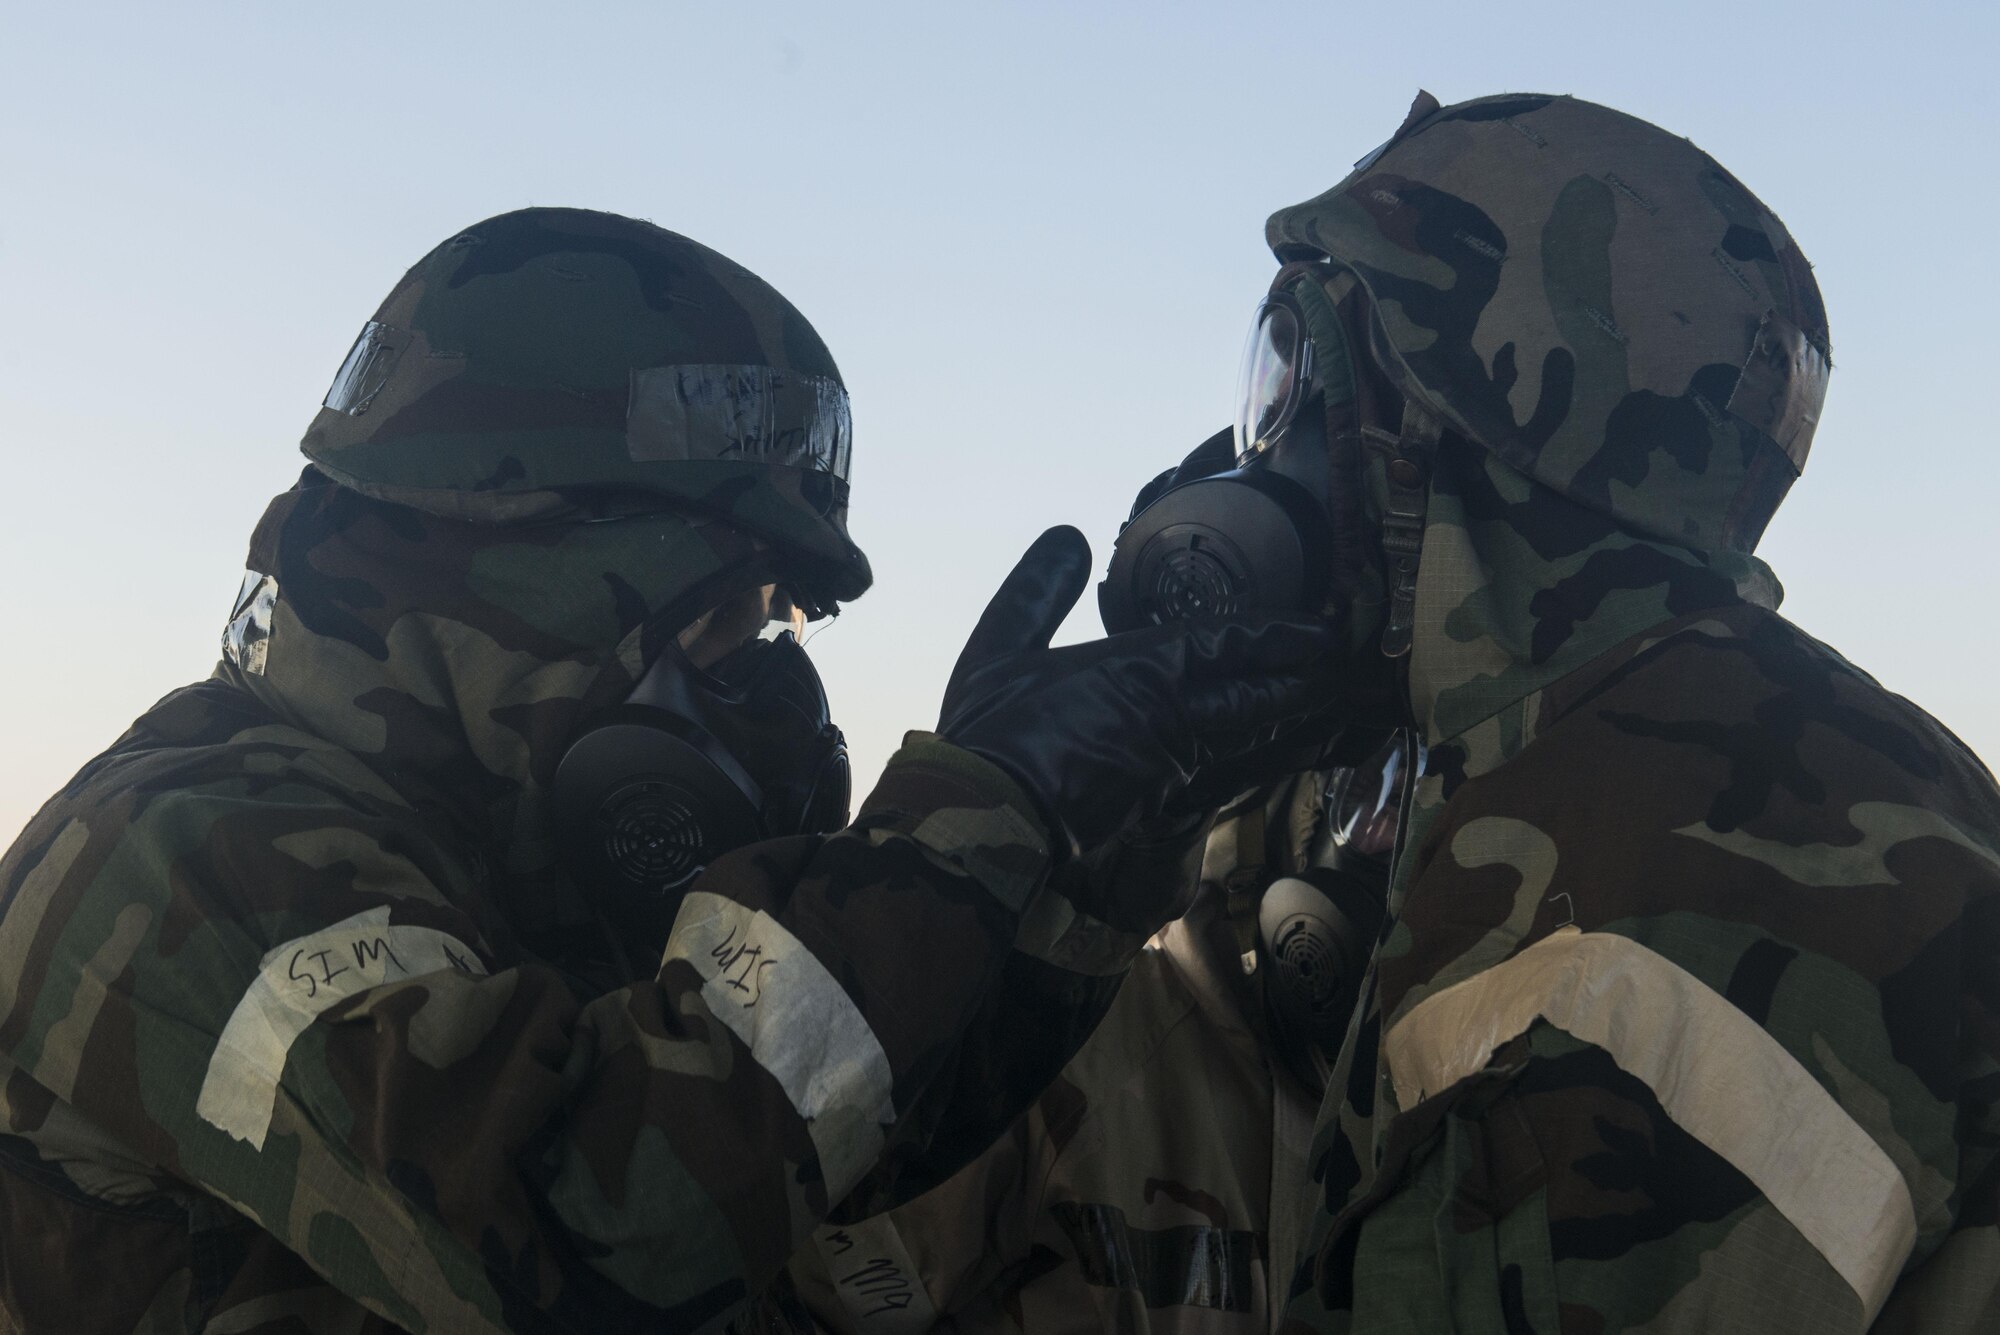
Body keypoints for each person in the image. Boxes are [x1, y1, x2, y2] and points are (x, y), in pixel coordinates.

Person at [0, 208, 1348, 1333]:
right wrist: (961, 826)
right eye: (729, 610)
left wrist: (1081, 864)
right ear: (526, 565)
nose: (756, 684)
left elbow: (805, 1166)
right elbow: (579, 1223)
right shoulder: (187, 852)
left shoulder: (476, 857)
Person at [1118, 92, 1998, 1332]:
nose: (1259, 449)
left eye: (1301, 379)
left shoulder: (1614, 943)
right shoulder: (1808, 749)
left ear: (1425, 425)